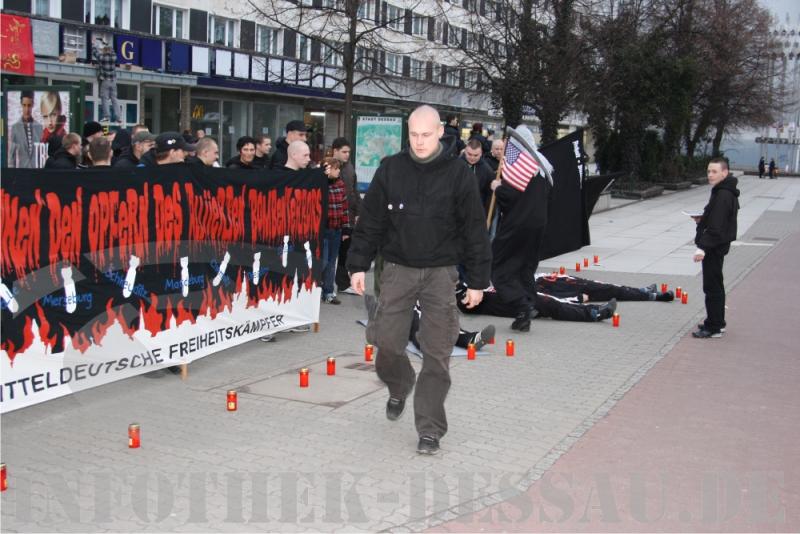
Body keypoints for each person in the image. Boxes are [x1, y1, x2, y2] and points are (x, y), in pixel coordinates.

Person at [347, 105, 491, 455]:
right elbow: (370, 224)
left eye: (426, 134)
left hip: (441, 274)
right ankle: (400, 383)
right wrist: (357, 266)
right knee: (387, 343)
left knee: (437, 353)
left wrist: (478, 280)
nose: (420, 141)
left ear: (440, 131)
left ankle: (430, 429)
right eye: (413, 135)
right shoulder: (391, 170)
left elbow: (474, 230)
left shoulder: (458, 175)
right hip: (397, 270)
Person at [490, 125, 552, 332]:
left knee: (500, 267)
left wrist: (498, 189)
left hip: (517, 223)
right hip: (538, 224)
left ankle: (522, 305)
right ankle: (528, 305)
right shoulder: (542, 166)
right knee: (525, 267)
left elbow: (512, 197)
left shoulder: (520, 164)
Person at [691, 157, 739, 339]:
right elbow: (718, 219)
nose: (710, 175)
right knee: (715, 285)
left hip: (714, 247)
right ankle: (717, 321)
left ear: (724, 173)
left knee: (712, 287)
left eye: (714, 172)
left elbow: (717, 227)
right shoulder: (723, 191)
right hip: (717, 245)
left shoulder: (723, 194)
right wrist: (702, 219)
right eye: (708, 171)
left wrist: (701, 248)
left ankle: (714, 327)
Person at [457, 283, 618, 323]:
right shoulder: (462, 298)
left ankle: (593, 310)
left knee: (554, 304)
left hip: (516, 297)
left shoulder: (464, 286)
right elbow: (467, 305)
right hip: (514, 304)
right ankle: (594, 313)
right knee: (553, 306)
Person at [331, 137, 362, 295]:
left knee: (345, 251)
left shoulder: (349, 168)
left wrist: (358, 212)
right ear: (334, 150)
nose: (347, 155)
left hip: (348, 216)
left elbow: (354, 191)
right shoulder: (328, 167)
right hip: (334, 217)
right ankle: (326, 286)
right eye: (344, 152)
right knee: (330, 255)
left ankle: (342, 283)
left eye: (348, 152)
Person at [321, 157, 350, 305]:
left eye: (339, 168)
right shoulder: (321, 185)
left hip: (337, 229)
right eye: (335, 168)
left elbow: (344, 208)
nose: (338, 171)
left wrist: (345, 229)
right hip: (324, 230)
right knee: (323, 262)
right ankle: (317, 288)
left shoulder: (340, 184)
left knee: (332, 262)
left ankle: (328, 292)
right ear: (327, 169)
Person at [535, 273, 675, 303]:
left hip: (579, 283)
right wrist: (577, 298)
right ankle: (653, 296)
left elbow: (560, 276)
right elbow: (552, 298)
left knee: (611, 288)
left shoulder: (538, 276)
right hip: (577, 291)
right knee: (613, 292)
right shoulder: (534, 286)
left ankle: (645, 292)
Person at [9, 90, 43, 168]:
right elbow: (12, 155)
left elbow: (42, 153)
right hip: (22, 172)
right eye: (24, 105)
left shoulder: (39, 127)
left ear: (33, 105)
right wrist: (11, 175)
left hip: (36, 172)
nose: (27, 109)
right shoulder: (15, 127)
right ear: (21, 105)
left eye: (29, 105)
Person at [92, 39, 122, 123]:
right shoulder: (114, 57)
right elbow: (112, 50)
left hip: (105, 81)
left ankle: (107, 116)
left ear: (104, 51)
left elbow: (95, 53)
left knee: (104, 98)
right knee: (114, 99)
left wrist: (94, 44)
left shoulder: (102, 58)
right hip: (113, 81)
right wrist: (106, 43)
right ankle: (118, 117)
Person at [460, 138, 494, 212]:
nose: (472, 158)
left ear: (481, 153)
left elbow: (489, 196)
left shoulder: (487, 170)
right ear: (465, 151)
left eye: (476, 155)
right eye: (469, 154)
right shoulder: (456, 165)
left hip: (476, 210)